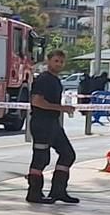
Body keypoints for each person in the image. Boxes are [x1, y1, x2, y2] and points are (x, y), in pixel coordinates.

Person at [27, 50, 80, 205]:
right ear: (48, 61)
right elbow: (36, 101)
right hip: (41, 123)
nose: (59, 64)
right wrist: (61, 108)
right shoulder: (43, 79)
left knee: (68, 154)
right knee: (41, 159)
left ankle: (58, 190)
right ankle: (34, 192)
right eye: (56, 61)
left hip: (53, 124)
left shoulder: (55, 80)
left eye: (61, 62)